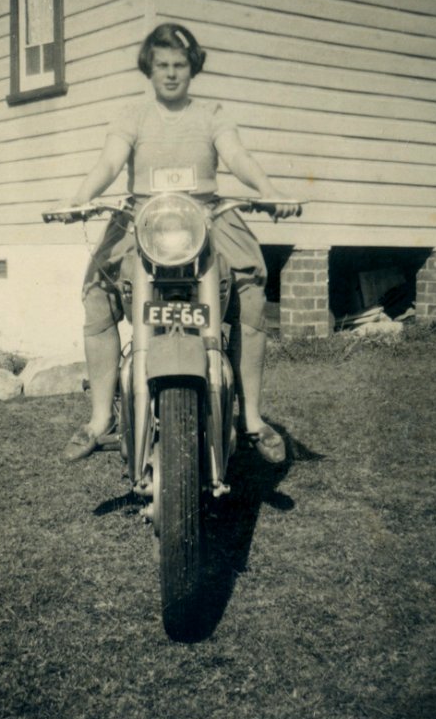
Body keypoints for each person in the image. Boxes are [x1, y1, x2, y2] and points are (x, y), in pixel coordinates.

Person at [62, 23, 298, 463]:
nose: (171, 74)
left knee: (250, 286)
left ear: (193, 69)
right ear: (148, 70)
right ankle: (99, 419)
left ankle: (251, 418)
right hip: (143, 218)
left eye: (180, 66)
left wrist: (270, 192)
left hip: (205, 216)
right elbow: (110, 161)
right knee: (98, 289)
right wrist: (81, 197)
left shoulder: (212, 114)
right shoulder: (132, 116)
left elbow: (236, 157)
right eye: (162, 66)